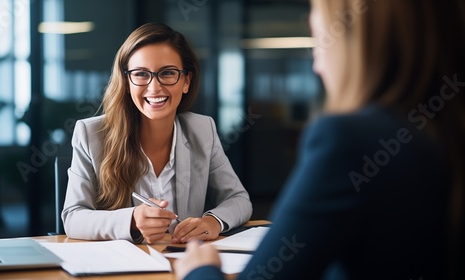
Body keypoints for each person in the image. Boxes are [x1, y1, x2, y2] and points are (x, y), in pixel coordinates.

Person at [175, 0, 465, 279]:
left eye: (316, 10)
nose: (310, 23)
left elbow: (238, 200)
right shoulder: (442, 134)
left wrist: (200, 270)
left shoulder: (348, 140)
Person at [62, 22, 252, 244]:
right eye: (141, 74)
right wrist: (132, 219)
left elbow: (238, 199)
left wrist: (213, 221)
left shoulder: (202, 130)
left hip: (181, 262)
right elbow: (73, 217)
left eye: (168, 73)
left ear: (186, 81)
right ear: (126, 82)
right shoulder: (91, 134)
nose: (154, 88)